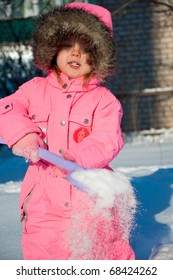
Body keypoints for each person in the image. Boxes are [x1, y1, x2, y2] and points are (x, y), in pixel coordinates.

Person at [0, 2, 135, 260]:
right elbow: (7, 108)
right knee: (44, 253)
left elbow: (108, 139)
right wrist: (23, 134)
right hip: (43, 196)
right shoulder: (33, 89)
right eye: (67, 46)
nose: (76, 54)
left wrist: (77, 158)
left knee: (102, 251)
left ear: (99, 57)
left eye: (86, 50)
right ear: (52, 48)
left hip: (87, 193)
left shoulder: (103, 100)